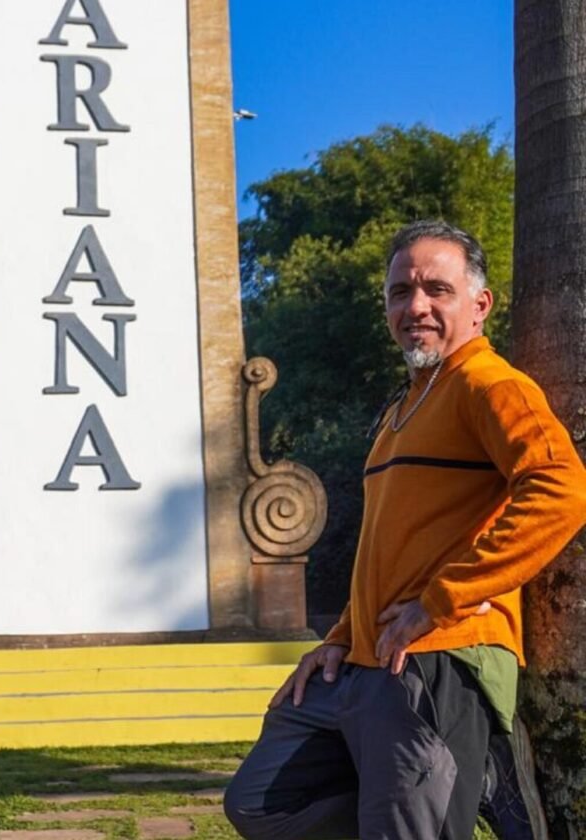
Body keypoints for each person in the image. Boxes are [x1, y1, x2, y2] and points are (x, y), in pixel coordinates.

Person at [224, 220, 586, 840]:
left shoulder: (490, 384)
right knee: (259, 803)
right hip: (364, 662)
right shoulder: (407, 403)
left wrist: (443, 599)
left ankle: (466, 772)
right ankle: (469, 778)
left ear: (480, 304)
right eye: (400, 292)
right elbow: (387, 545)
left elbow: (563, 488)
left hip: (438, 656)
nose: (415, 306)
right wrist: (341, 635)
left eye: (436, 290)